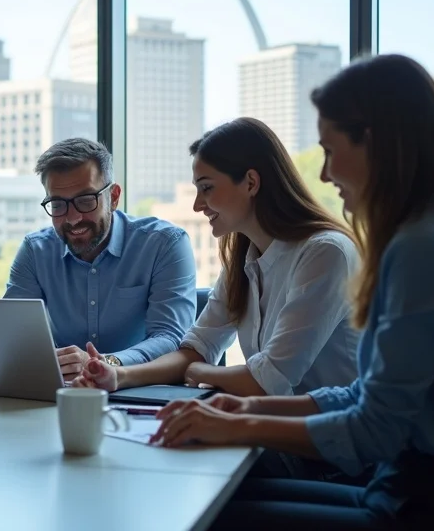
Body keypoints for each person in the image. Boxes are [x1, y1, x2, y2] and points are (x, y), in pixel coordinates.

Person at [152, 54, 434, 529]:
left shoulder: (423, 251)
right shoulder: (426, 237)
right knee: (217, 494)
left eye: (330, 149)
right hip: (409, 485)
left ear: (375, 144)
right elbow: (365, 394)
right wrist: (247, 407)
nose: (324, 174)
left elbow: (374, 430)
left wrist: (238, 420)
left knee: (209, 510)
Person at [76, 118, 361, 481]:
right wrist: (117, 376)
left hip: (328, 459)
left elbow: (265, 381)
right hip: (275, 441)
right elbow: (195, 348)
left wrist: (197, 372)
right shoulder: (245, 257)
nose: (198, 205)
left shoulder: (325, 254)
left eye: (207, 188)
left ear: (252, 183)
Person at [4, 137, 197, 381]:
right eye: (58, 204)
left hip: (140, 389)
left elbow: (170, 338)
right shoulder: (35, 251)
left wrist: (106, 364)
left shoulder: (165, 244)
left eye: (86, 201)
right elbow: (12, 337)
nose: (72, 219)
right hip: (64, 392)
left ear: (114, 197)